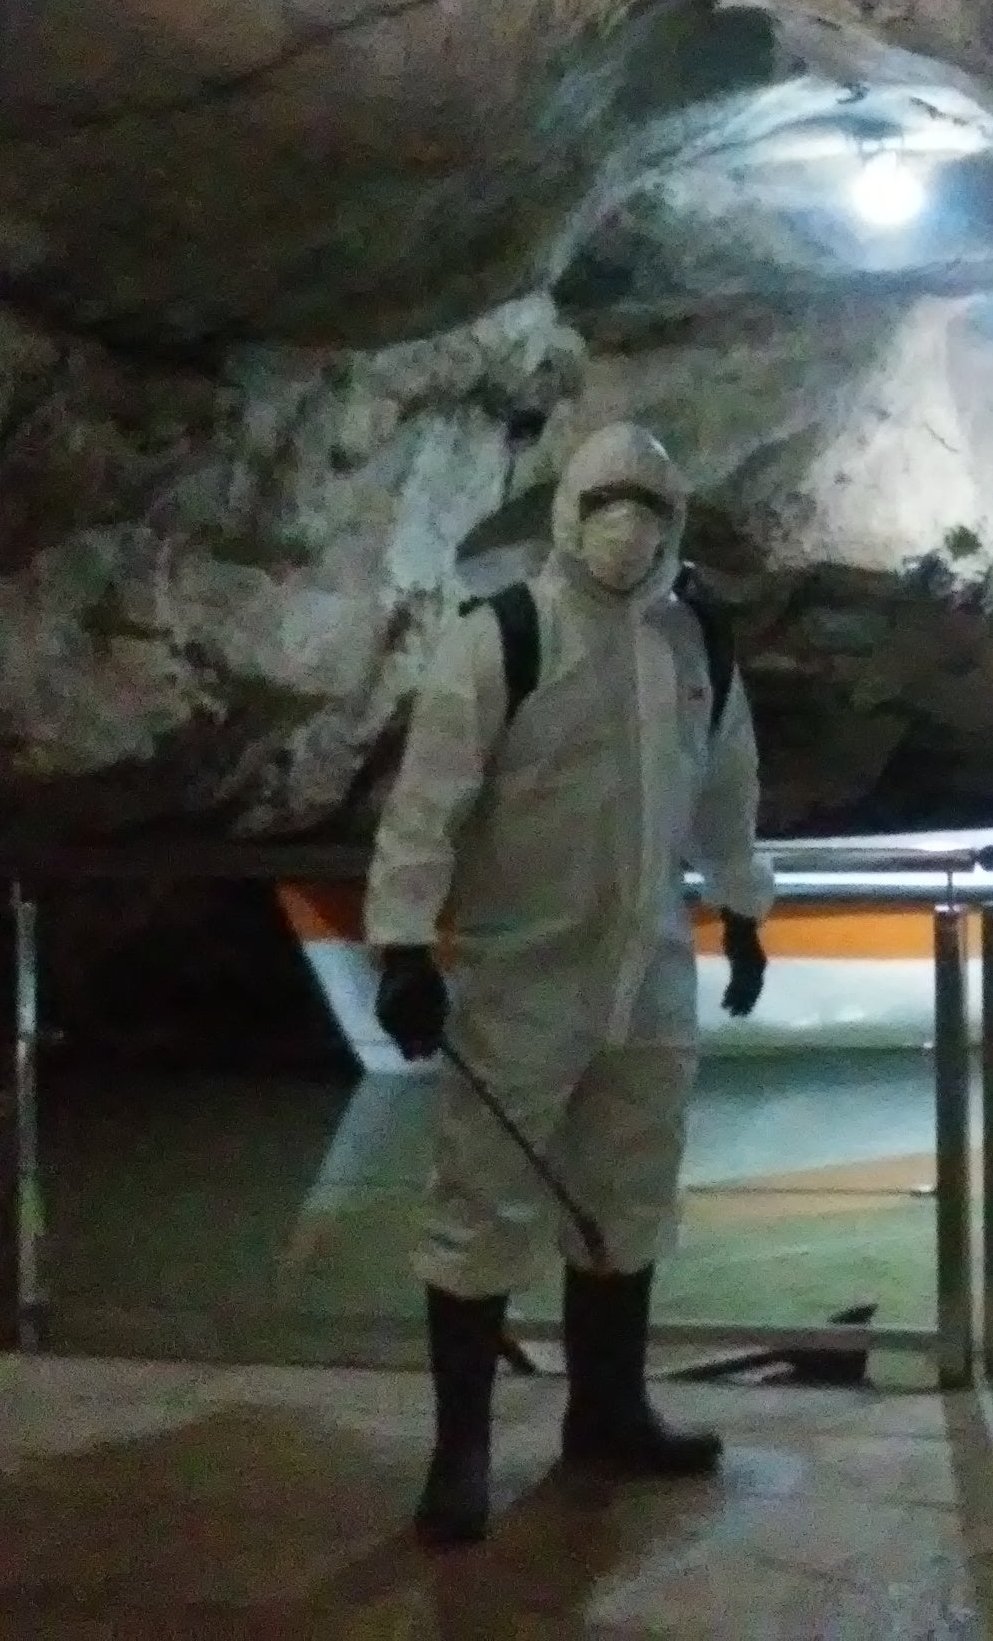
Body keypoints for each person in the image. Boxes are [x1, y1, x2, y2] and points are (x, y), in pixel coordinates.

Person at [363, 421, 776, 1547]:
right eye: (604, 498)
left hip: (651, 972)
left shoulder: (696, 643)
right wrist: (404, 946)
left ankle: (608, 1413)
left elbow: (727, 785)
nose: (626, 521)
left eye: (650, 501)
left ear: (678, 519)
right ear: (567, 507)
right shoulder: (502, 637)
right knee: (482, 1201)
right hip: (521, 979)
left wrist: (742, 907)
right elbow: (427, 805)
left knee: (628, 1192)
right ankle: (459, 1453)